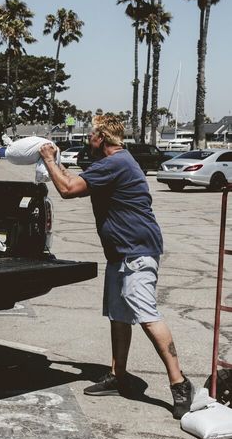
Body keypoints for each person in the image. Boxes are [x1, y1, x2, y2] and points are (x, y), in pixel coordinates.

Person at [38, 115, 195, 419]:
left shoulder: (116, 163)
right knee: (119, 316)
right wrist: (59, 163)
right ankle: (118, 376)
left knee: (147, 315)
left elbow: (68, 189)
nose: (87, 140)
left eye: (91, 136)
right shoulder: (114, 162)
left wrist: (48, 160)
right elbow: (77, 179)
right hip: (121, 253)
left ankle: (180, 383)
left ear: (102, 138)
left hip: (136, 251)